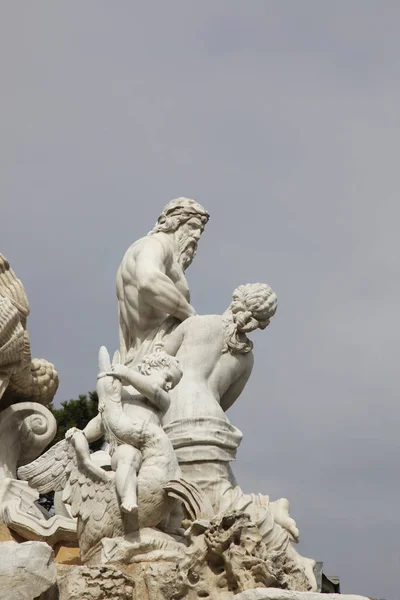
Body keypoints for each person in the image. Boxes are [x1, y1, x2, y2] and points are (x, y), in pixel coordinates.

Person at [162, 283, 317, 589]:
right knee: (217, 494)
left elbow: (156, 364)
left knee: (209, 500)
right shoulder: (246, 358)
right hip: (214, 422)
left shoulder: (196, 325)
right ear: (262, 323)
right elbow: (224, 401)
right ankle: (271, 518)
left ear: (236, 298)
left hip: (178, 415)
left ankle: (271, 525)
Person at [67, 345, 182, 516]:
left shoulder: (161, 400)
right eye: (168, 377)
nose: (170, 385)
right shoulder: (125, 394)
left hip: (151, 450)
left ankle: (173, 521)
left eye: (173, 384)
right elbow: (102, 420)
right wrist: (83, 434)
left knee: (176, 481)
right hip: (123, 444)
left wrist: (127, 374)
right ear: (149, 368)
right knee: (128, 458)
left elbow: (154, 390)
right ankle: (128, 498)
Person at [116, 198, 209, 365]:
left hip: (148, 354)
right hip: (154, 354)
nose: (196, 235)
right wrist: (190, 316)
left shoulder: (161, 254)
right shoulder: (155, 244)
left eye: (200, 231)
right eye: (192, 226)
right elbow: (148, 280)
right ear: (171, 222)